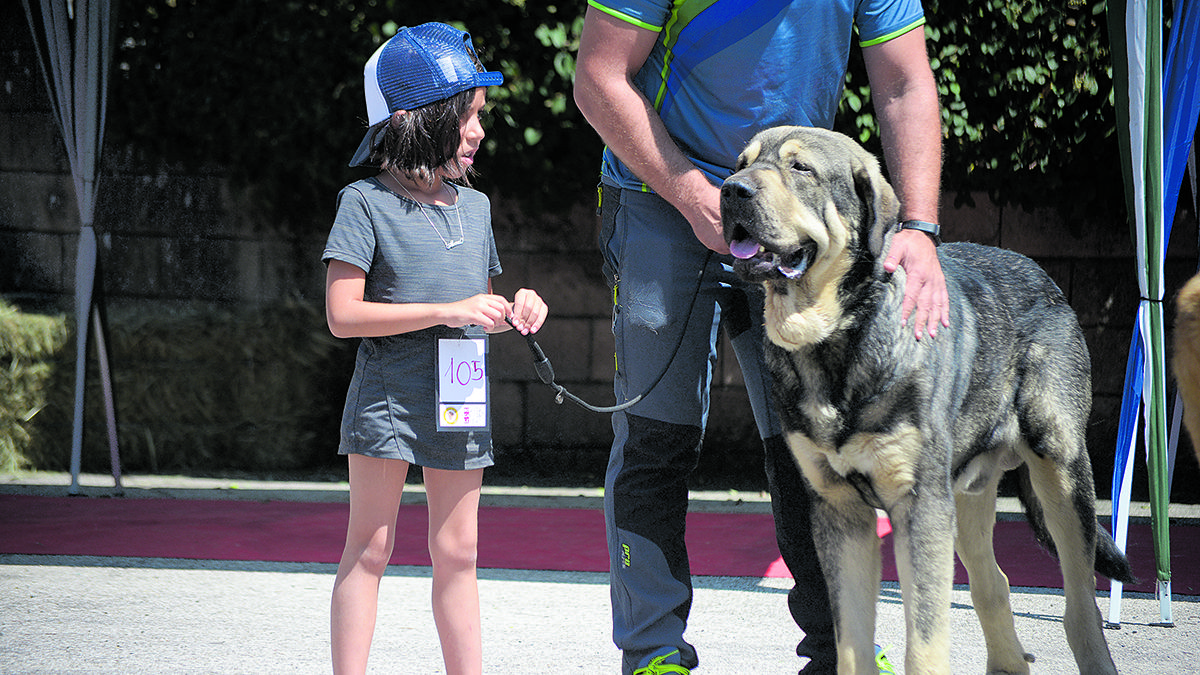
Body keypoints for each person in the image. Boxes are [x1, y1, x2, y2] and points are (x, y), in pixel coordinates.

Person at [573, 2, 945, 674]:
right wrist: (695, 198)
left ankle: (845, 650)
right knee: (658, 436)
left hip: (795, 218)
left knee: (815, 447)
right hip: (659, 199)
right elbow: (598, 76)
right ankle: (654, 652)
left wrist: (918, 225)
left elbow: (903, 83)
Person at [323, 22, 548, 675]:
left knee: (460, 552)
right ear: (418, 120)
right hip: (388, 398)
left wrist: (514, 309)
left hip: (461, 390)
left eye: (480, 117)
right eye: (468, 116)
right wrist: (449, 310)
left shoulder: (474, 208)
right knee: (369, 546)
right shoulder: (362, 202)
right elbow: (342, 315)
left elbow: (475, 306)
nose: (479, 131)